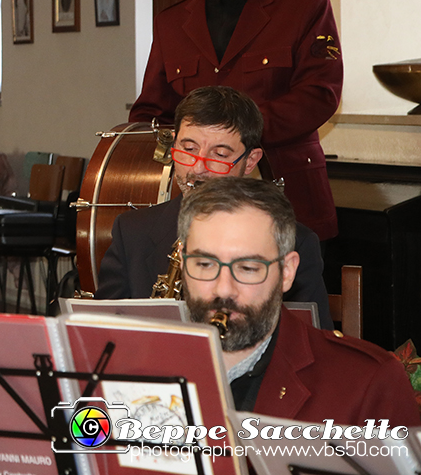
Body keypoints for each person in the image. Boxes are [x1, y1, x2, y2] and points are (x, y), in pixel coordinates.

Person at [131, 0, 343, 239]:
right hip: (196, 204)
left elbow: (320, 94)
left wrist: (237, 134)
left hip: (286, 190)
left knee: (291, 290)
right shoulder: (171, 22)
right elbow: (150, 110)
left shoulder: (301, 7)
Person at [178, 178, 418, 424]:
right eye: (205, 265)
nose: (223, 289)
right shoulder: (141, 362)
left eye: (248, 268)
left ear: (287, 272)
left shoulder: (369, 383)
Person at [97, 86, 331, 327]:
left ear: (250, 161)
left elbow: (311, 344)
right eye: (188, 149)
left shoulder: (296, 242)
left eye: (219, 154)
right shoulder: (132, 232)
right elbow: (103, 338)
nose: (198, 168)